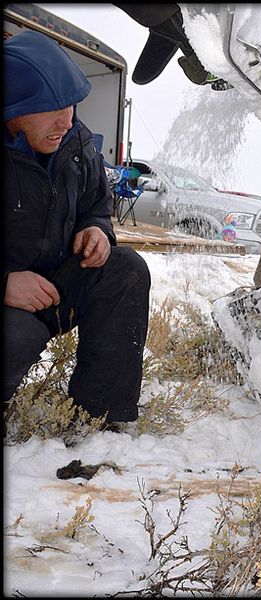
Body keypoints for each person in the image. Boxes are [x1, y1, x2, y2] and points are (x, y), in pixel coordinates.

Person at [3, 30, 151, 424]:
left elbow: (97, 205)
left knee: (126, 269)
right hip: (11, 304)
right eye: (51, 108)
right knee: (13, 335)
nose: (66, 119)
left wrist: (98, 230)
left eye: (70, 104)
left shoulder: (76, 141)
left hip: (56, 284)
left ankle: (101, 418)